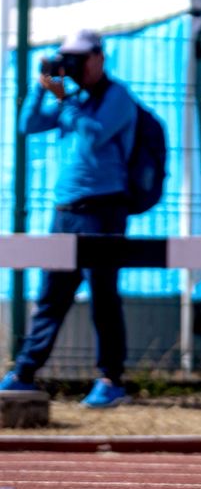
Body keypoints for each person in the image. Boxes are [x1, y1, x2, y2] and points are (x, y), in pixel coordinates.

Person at [0, 29, 135, 408]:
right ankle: (24, 373)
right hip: (65, 213)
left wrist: (65, 100)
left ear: (98, 57)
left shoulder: (117, 97)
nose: (72, 64)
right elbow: (28, 125)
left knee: (103, 297)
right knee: (51, 295)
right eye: (66, 58)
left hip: (103, 210)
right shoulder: (71, 99)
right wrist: (44, 88)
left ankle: (112, 380)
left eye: (78, 57)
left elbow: (94, 136)